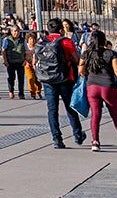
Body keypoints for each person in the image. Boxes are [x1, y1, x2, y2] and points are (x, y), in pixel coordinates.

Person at [35, 18, 86, 149]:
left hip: (48, 80)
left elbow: (36, 59)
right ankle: (78, 135)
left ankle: (57, 139)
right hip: (64, 78)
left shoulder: (42, 42)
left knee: (52, 110)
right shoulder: (66, 42)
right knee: (70, 108)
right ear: (61, 30)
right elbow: (76, 59)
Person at [81, 33, 117, 151]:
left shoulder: (86, 54)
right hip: (108, 87)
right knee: (115, 115)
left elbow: (81, 70)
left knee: (95, 114)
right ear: (104, 41)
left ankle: (95, 142)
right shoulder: (111, 54)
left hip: (92, 87)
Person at [1, 29, 28, 100]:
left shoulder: (23, 40)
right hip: (10, 62)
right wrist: (5, 61)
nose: (16, 33)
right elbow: (3, 51)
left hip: (20, 62)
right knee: (11, 77)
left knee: (21, 78)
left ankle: (21, 93)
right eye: (15, 31)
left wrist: (25, 60)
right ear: (12, 32)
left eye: (18, 31)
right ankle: (11, 91)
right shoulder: (7, 40)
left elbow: (26, 51)